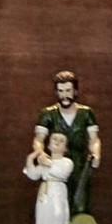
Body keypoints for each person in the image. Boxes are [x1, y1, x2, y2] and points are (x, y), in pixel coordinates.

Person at [33, 70, 101, 216]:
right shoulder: (48, 113)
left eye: (68, 90)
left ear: (75, 90)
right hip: (56, 165)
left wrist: (96, 153)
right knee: (56, 206)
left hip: (80, 165)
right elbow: (38, 139)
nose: (64, 95)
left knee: (80, 205)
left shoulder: (86, 113)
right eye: (61, 91)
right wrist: (40, 153)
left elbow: (94, 139)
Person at [23, 132, 74, 224]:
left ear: (65, 148)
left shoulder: (67, 162)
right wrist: (31, 157)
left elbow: (63, 173)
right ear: (49, 145)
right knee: (44, 214)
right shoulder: (43, 163)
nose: (57, 142)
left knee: (57, 213)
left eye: (61, 140)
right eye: (55, 139)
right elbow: (33, 175)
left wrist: (49, 163)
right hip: (45, 192)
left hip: (58, 190)